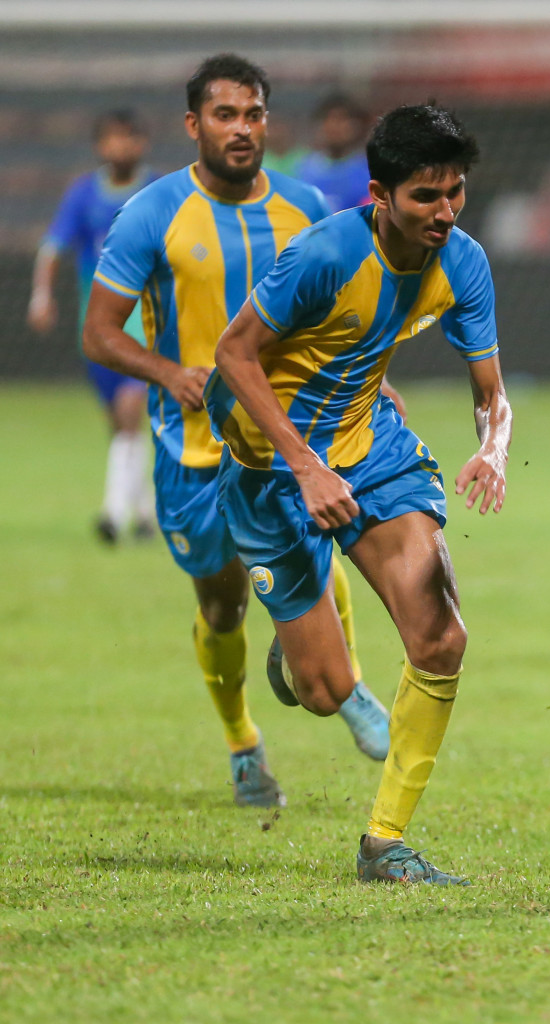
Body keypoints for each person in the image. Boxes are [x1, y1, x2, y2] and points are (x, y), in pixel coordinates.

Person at [206, 103, 510, 885]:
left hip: (369, 449)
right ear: (380, 193)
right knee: (320, 692)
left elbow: (490, 392)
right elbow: (233, 357)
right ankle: (307, 628)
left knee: (441, 635)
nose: (444, 213)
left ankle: (385, 843)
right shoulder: (324, 255)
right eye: (425, 198)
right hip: (269, 467)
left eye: (456, 194)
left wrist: (494, 447)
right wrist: (305, 466)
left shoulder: (463, 261)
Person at [83, 54, 392, 809]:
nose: (242, 128)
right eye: (225, 115)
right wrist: (169, 373)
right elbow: (99, 333)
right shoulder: (154, 213)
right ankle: (244, 745)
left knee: (325, 531)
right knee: (222, 606)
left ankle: (340, 679)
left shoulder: (306, 206)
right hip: (191, 456)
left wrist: (385, 387)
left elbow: (345, 312)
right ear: (195, 126)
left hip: (285, 438)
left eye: (254, 114)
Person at [29, 110, 157, 544]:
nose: (120, 147)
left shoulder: (157, 191)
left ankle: (112, 514)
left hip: (149, 329)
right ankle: (144, 512)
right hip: (100, 327)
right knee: (119, 426)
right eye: (111, 139)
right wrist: (42, 296)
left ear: (142, 143)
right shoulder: (84, 194)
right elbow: (52, 248)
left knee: (128, 414)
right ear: (100, 145)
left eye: (128, 138)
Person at [293, 92, 372, 214]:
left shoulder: (368, 171)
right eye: (328, 119)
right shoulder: (302, 170)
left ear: (358, 126)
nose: (334, 126)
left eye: (342, 119)